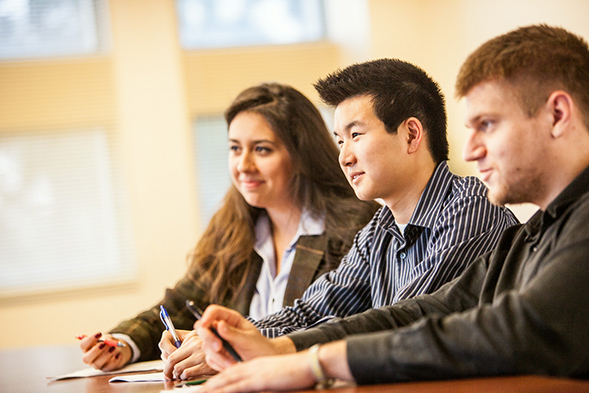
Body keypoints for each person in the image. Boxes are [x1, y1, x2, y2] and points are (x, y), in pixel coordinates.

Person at [195, 24, 589, 392]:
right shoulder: (534, 232)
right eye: (339, 139)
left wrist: (316, 362)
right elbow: (422, 311)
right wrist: (278, 348)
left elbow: (512, 330)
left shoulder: (486, 212)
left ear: (557, 115)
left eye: (487, 124)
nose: (470, 150)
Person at [164, 59, 519, 379]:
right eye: (339, 140)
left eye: (356, 135)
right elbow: (313, 310)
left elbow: (401, 324)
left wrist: (257, 349)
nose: (344, 156)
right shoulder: (380, 229)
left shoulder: (472, 207)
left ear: (411, 134)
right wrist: (237, 337)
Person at [78, 82, 380, 373]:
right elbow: (178, 305)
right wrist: (122, 343)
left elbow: (333, 327)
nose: (243, 165)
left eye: (261, 150)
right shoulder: (233, 225)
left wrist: (225, 347)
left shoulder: (356, 227)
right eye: (235, 148)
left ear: (302, 155)